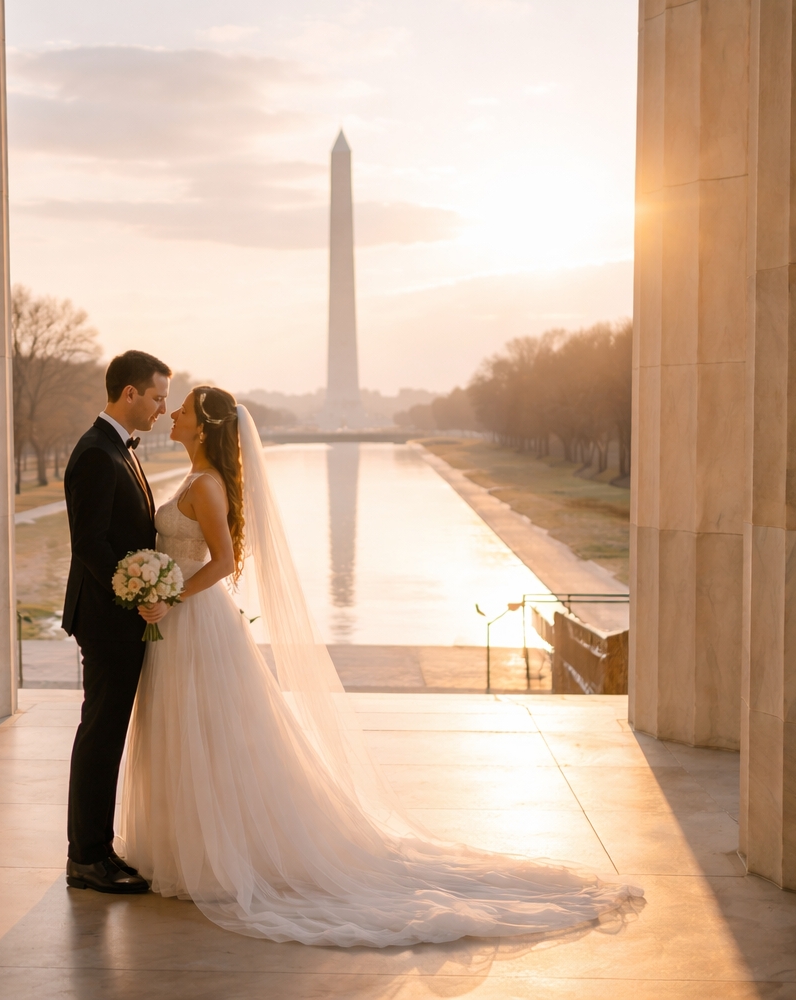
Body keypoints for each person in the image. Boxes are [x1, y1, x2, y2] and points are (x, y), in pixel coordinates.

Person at [116, 385, 642, 946]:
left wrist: (170, 595)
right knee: (187, 732)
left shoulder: (208, 486)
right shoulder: (197, 479)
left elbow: (221, 561)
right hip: (180, 617)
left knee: (212, 736)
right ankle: (186, 847)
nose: (172, 413)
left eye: (184, 409)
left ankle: (218, 853)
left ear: (203, 426)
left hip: (195, 620)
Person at [60, 350, 172, 893]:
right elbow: (89, 545)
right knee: (101, 735)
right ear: (129, 394)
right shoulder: (95, 454)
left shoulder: (118, 449)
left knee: (108, 734)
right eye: (156, 397)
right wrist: (137, 592)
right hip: (106, 618)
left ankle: (97, 850)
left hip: (120, 614)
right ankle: (86, 858)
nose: (162, 408)